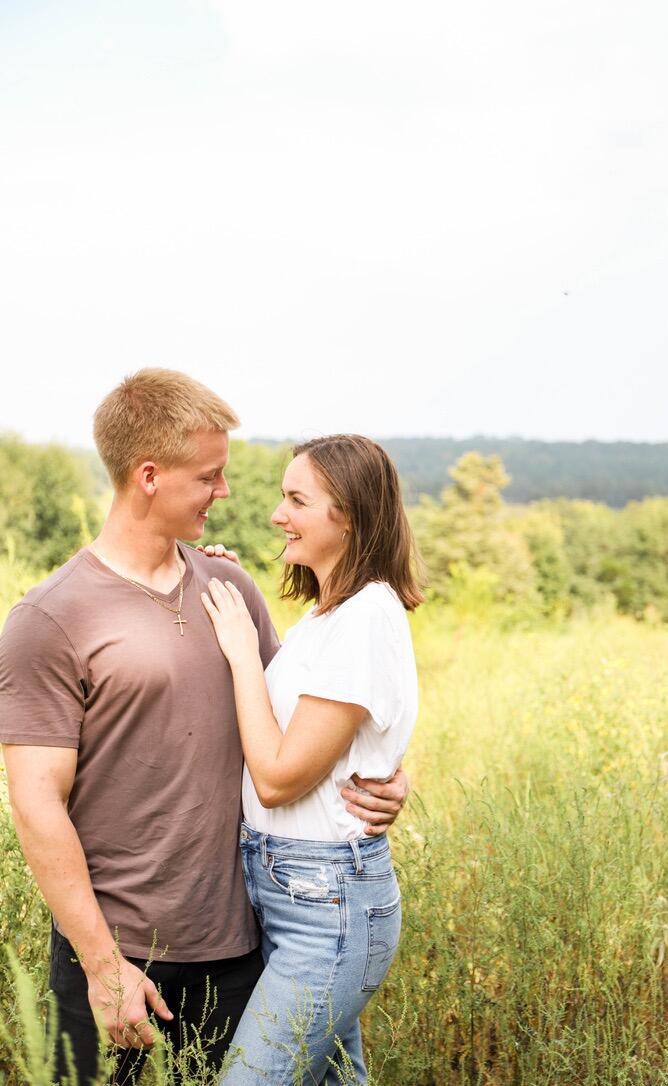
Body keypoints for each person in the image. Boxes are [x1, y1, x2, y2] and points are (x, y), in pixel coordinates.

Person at [0, 370, 408, 1086]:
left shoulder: (232, 589)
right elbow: (36, 806)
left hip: (243, 951)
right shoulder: (49, 620)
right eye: (211, 476)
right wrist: (103, 966)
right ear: (149, 476)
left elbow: (302, 726)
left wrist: (382, 779)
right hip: (120, 960)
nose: (226, 492)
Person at [199, 434, 423, 1085]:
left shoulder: (366, 618)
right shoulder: (327, 621)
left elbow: (276, 778)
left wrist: (242, 648)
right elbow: (326, 741)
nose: (277, 514)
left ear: (348, 515)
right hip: (290, 893)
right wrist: (213, 578)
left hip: (326, 904)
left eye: (296, 499)